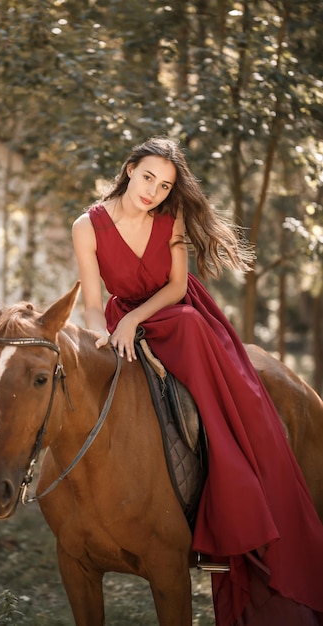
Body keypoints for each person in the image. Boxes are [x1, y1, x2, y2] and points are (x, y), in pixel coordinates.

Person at [72, 136, 323, 625]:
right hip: (120, 320)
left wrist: (133, 321)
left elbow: (178, 288)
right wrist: (103, 335)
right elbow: (88, 296)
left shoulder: (172, 219)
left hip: (177, 318)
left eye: (164, 185)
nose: (153, 191)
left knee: (203, 365)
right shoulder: (88, 225)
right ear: (129, 170)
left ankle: (224, 482)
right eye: (147, 178)